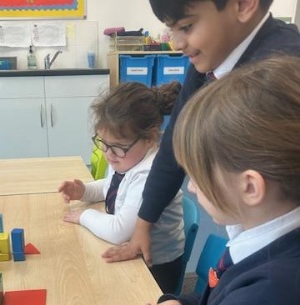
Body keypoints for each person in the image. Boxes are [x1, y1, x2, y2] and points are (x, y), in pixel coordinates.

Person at [123, 56, 300, 305]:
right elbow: (229, 301)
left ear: (250, 187)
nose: (191, 187)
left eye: (199, 175)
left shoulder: (272, 292)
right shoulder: (266, 245)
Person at [102, 0, 300, 267]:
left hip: (278, 252)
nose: (176, 43)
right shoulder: (213, 57)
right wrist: (143, 224)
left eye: (186, 27)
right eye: (171, 29)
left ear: (243, 5)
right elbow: (174, 143)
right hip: (249, 239)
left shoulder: (282, 69)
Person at [58, 81, 185, 294]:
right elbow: (112, 186)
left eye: (117, 146)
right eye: (103, 143)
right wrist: (85, 191)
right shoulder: (127, 157)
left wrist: (84, 216)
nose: (108, 153)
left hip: (156, 268)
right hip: (134, 254)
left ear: (150, 138)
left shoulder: (149, 173)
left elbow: (118, 231)